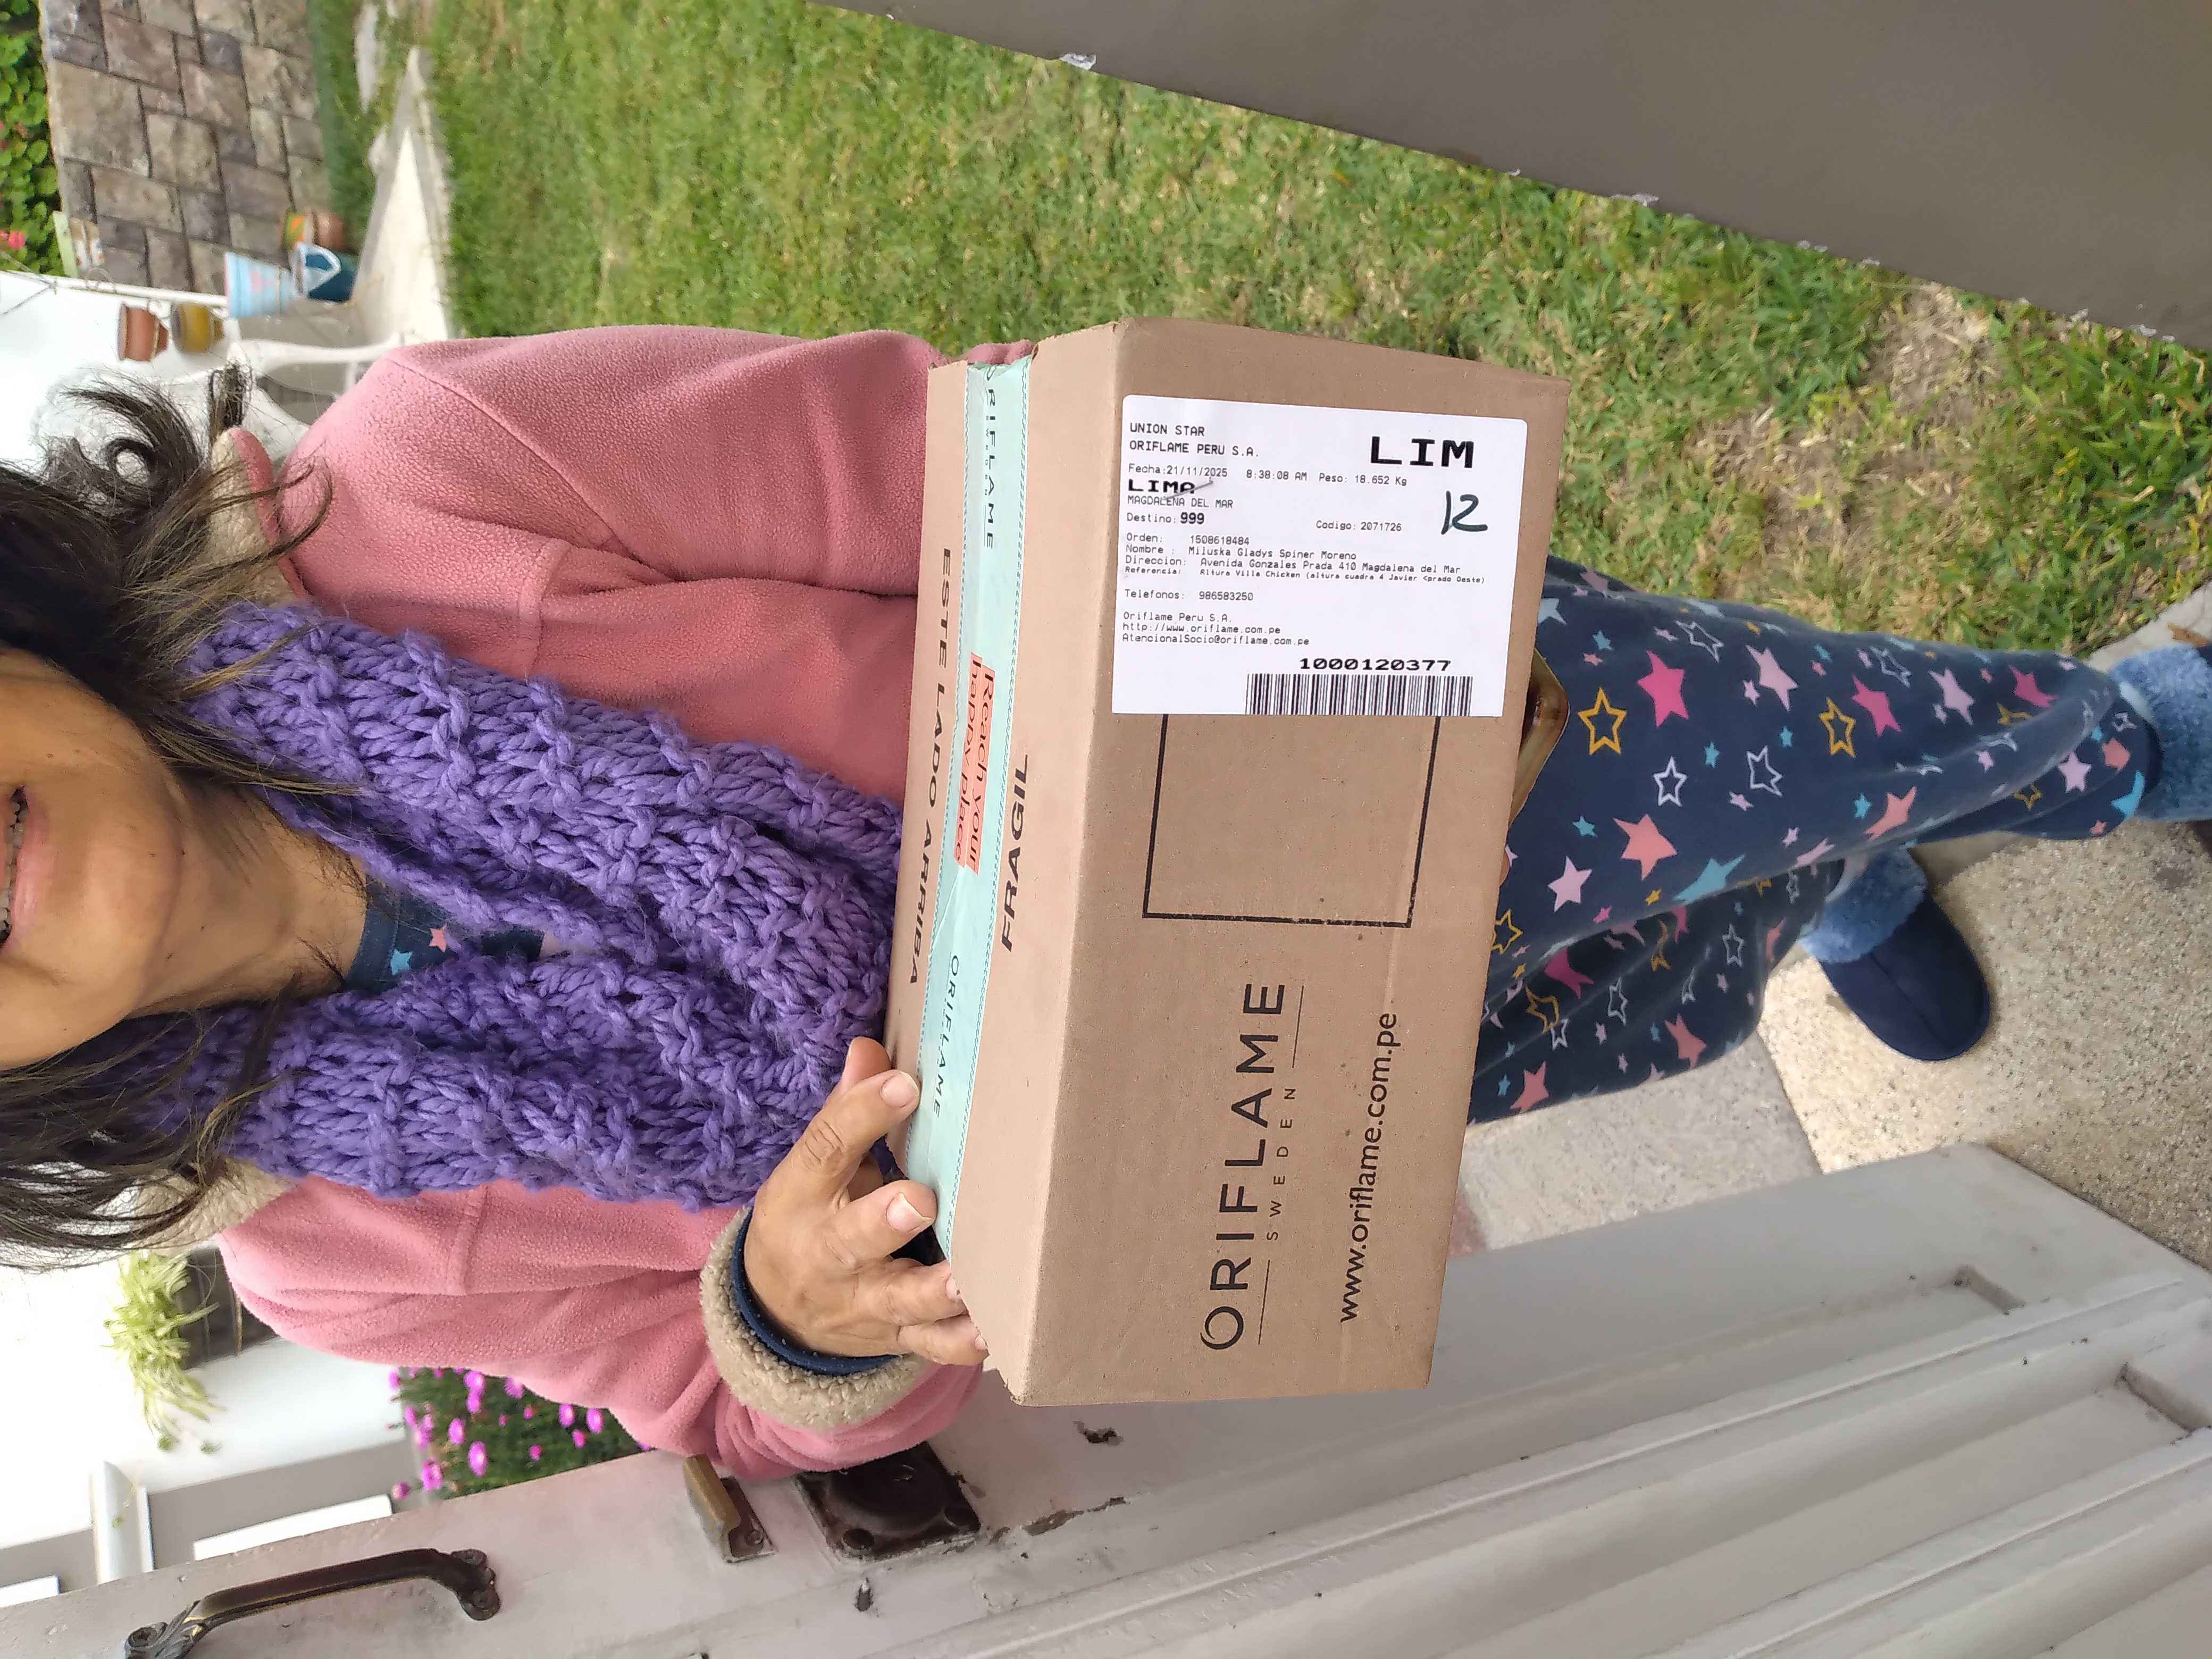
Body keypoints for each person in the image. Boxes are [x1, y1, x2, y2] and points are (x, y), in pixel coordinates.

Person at [2, 329, 2205, 1479]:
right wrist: (796, 1313)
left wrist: (1290, 606)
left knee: (1812, 735)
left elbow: (966, 449)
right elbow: (725, 1396)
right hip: (1280, 1072)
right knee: (1665, 986)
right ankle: (1833, 892)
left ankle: (2124, 736)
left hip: (1366, 733)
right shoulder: (333, 1263)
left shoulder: (419, 487)